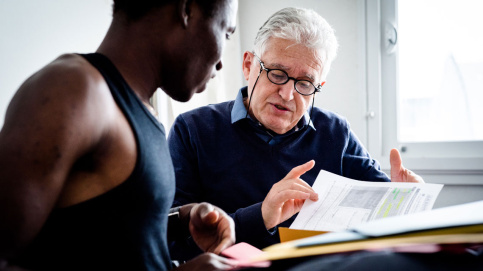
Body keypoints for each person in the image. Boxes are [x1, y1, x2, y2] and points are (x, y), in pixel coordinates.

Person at [167, 6, 424, 259]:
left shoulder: (336, 133)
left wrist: (406, 203)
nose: (288, 94)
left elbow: (381, 214)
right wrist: (261, 216)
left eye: (305, 83)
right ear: (248, 66)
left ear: (318, 86)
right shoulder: (192, 131)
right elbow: (170, 241)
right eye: (277, 74)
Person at [0, 0, 239, 270]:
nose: (220, 63)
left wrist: (179, 220)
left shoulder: (140, 107)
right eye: (226, 32)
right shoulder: (72, 89)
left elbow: (98, 237)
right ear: (187, 10)